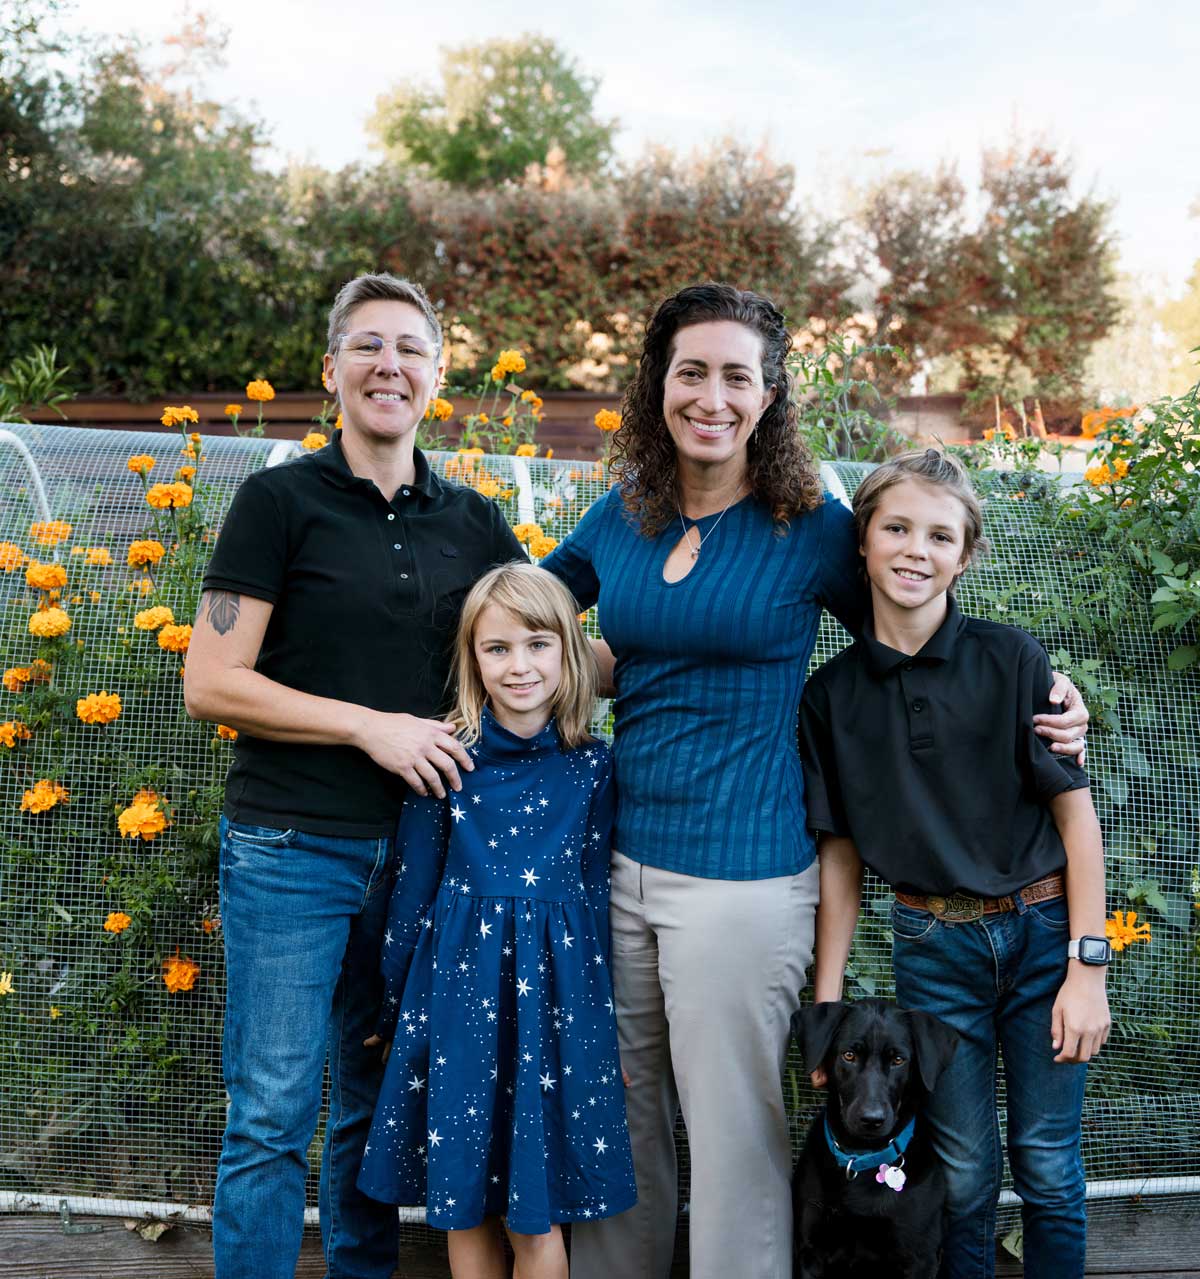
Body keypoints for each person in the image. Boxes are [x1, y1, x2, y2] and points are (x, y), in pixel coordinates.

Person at [539, 283, 1091, 1279]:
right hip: (618, 865)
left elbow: (917, 632)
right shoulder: (620, 517)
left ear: (768, 394)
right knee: (622, 1124)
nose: (713, 395)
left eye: (736, 376)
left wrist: (1047, 699)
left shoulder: (813, 525)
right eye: (692, 371)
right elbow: (525, 618)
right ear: (656, 385)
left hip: (745, 877)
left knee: (738, 1139)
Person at [183, 272, 524, 1279]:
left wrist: (648, 638)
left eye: (410, 348)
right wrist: (372, 727)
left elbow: (543, 640)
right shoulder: (278, 502)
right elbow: (212, 681)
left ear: (437, 376)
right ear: (331, 370)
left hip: (421, 854)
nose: (390, 365)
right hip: (292, 846)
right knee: (274, 1110)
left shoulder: (472, 519)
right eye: (368, 346)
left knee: (374, 1111)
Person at [800, 448, 1111, 1279]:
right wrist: (825, 1009)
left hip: (1044, 936)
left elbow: (1077, 822)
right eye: (896, 527)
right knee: (966, 1174)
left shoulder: (1012, 658)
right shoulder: (829, 697)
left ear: (964, 554)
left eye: (940, 534)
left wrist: (1089, 968)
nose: (915, 549)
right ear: (861, 540)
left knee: (1047, 1162)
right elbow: (840, 861)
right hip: (933, 952)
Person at [357, 561, 636, 1279]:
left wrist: (608, 1029)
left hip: (556, 1014)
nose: (520, 665)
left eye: (539, 644)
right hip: (455, 1010)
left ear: (569, 655)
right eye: (498, 647)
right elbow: (410, 895)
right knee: (466, 1202)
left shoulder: (594, 767)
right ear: (473, 660)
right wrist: (393, 1012)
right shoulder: (445, 758)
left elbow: (600, 902)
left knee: (535, 1214)